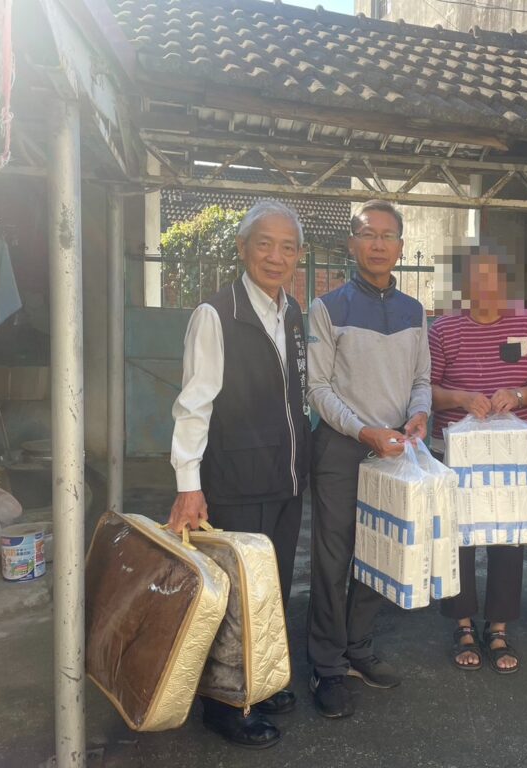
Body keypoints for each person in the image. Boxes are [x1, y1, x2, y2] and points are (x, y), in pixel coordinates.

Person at [167, 200, 310, 749]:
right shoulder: (216, 313)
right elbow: (193, 405)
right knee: (233, 597)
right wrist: (188, 485)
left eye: (287, 247)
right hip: (236, 479)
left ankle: (259, 681)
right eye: (264, 244)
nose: (276, 257)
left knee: (270, 591)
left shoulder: (291, 313)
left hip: (284, 479)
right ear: (243, 247)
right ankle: (224, 706)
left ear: (298, 256)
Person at [305, 199, 432, 718]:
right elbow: (317, 387)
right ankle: (327, 665)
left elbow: (421, 379)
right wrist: (363, 430)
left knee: (379, 550)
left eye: (387, 235)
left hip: (395, 449)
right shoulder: (327, 307)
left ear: (400, 246)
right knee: (333, 558)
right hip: (341, 448)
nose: (378, 244)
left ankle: (358, 649)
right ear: (352, 243)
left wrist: (419, 414)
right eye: (368, 234)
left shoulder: (414, 311)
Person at [428, 243, 527, 674]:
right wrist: (462, 398)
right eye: (476, 276)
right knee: (459, 537)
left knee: (508, 537)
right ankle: (463, 625)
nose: (486, 285)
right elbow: (426, 390)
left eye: (495, 276)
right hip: (456, 450)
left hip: (511, 454)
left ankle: (498, 627)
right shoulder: (444, 329)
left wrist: (518, 395)